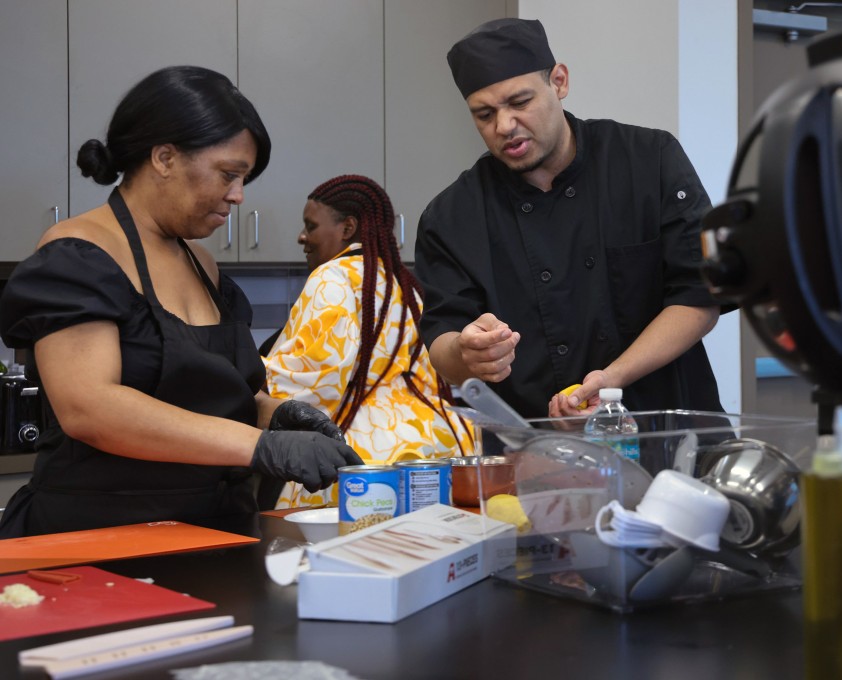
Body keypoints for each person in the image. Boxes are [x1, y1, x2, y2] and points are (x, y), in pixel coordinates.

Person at [0, 66, 361, 538]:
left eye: (244, 179)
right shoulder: (77, 252)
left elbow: (216, 394)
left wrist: (276, 415)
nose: (237, 196)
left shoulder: (203, 265)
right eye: (228, 175)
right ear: (165, 157)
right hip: (101, 532)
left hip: (216, 525)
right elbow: (90, 408)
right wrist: (259, 446)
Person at [414, 18, 725, 420]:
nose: (504, 126)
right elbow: (443, 341)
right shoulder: (451, 216)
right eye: (484, 114)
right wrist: (468, 351)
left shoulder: (649, 160)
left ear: (559, 81)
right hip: (535, 451)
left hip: (668, 431)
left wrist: (610, 380)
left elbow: (699, 297)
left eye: (519, 102)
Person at [263, 175, 473, 509]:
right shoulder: (405, 286)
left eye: (310, 226)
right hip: (433, 446)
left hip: (362, 464)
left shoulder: (331, 279)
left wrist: (246, 381)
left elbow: (312, 384)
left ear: (347, 228)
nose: (302, 236)